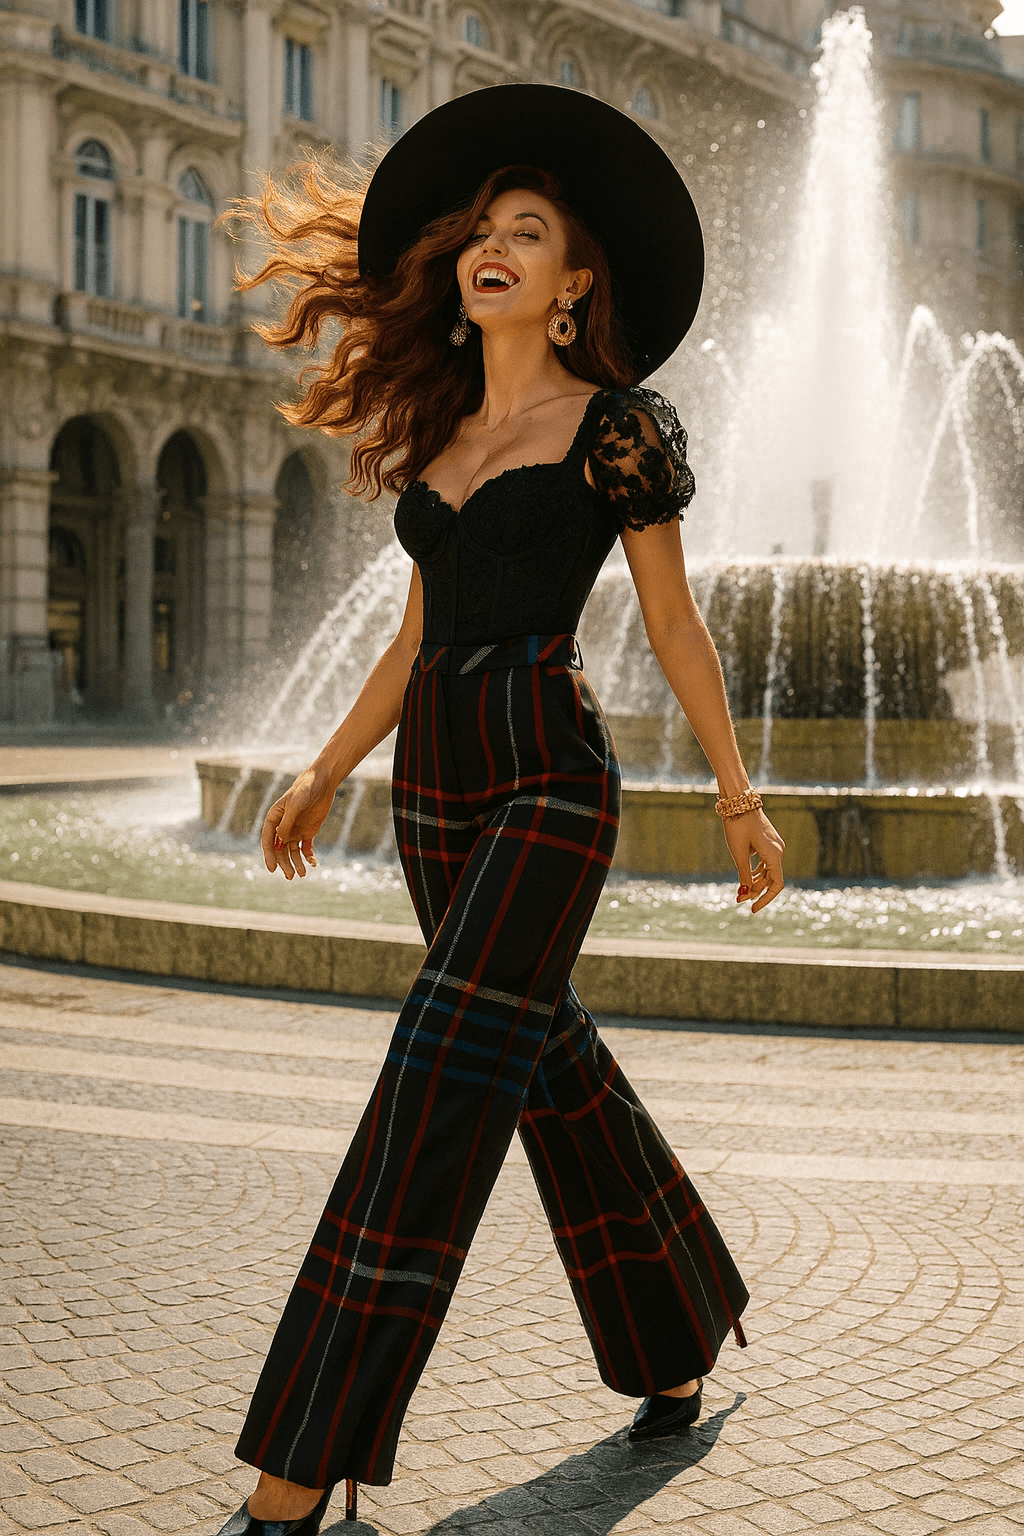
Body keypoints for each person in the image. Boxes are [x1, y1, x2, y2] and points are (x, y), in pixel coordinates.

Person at [217, 84, 785, 1534]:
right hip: (435, 788)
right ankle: (676, 1322)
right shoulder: (439, 436)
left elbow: (673, 626)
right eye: (480, 232)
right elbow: (411, 644)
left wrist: (735, 795)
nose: (493, 247)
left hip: (547, 767)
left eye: (526, 232)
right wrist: (323, 766)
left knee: (437, 1080)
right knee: (540, 1061)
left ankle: (303, 1459)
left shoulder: (619, 428)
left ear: (573, 279)